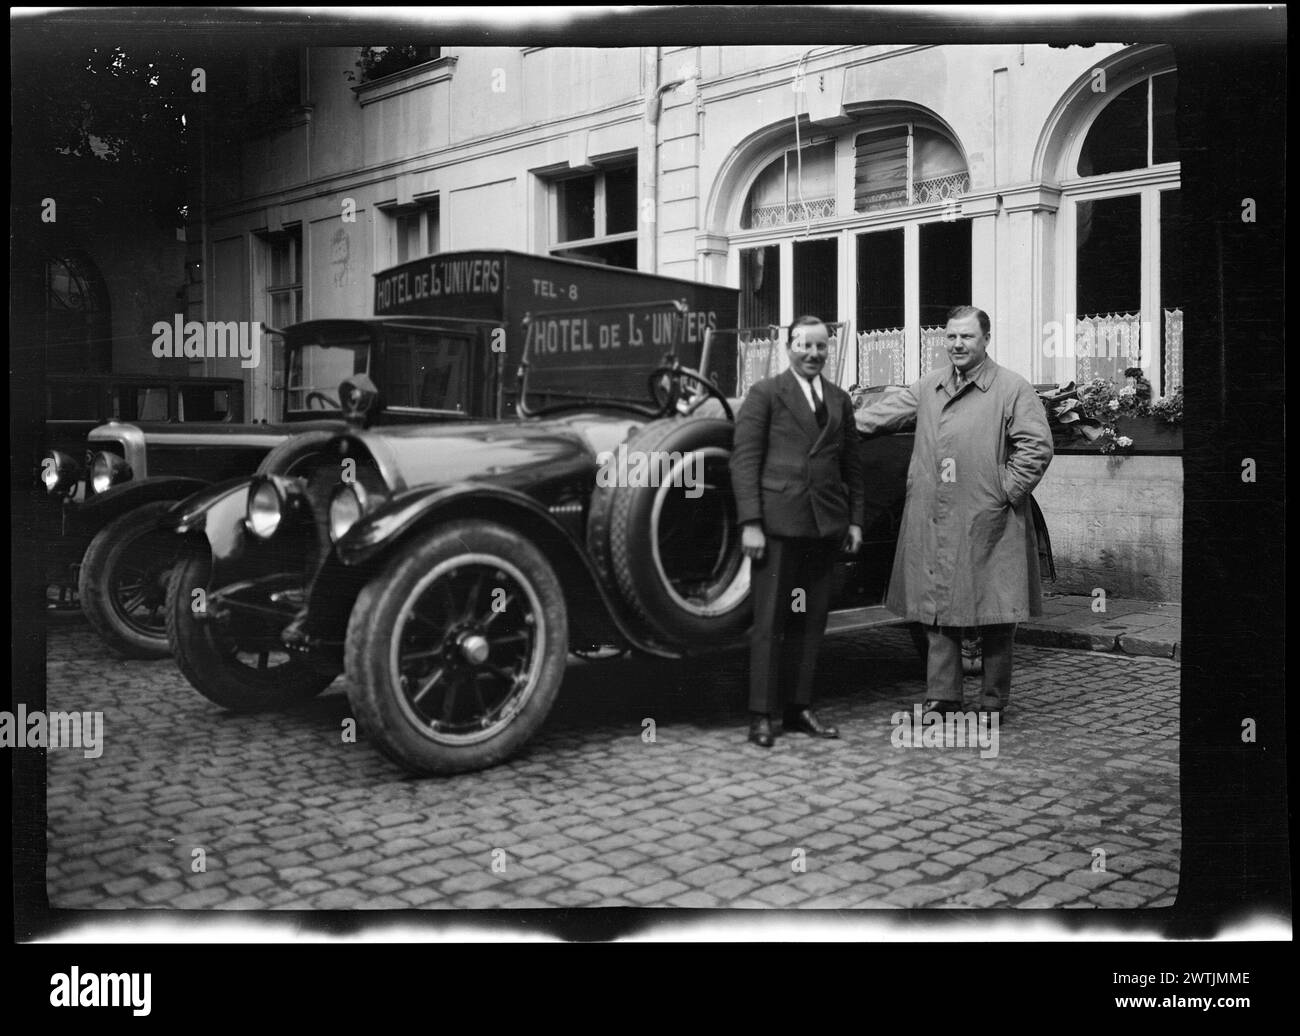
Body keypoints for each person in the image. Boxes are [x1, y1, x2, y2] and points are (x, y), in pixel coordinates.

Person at [853, 305, 1053, 719]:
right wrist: (832, 427)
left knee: (996, 610)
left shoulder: (1012, 388)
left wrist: (1003, 492)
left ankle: (993, 702)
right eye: (951, 337)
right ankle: (943, 697)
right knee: (937, 607)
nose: (957, 344)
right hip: (935, 514)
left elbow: (1036, 447)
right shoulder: (929, 386)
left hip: (990, 517)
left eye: (967, 337)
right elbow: (879, 417)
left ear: (985, 340)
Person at [730, 316, 864, 747]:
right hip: (778, 525)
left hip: (824, 526)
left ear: (829, 350)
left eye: (821, 347)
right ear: (788, 347)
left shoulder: (840, 399)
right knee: (771, 622)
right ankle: (762, 716)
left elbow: (852, 468)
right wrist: (750, 523)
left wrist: (855, 521)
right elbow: (745, 462)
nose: (813, 354)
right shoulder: (766, 394)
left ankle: (799, 707)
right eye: (804, 346)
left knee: (811, 622)